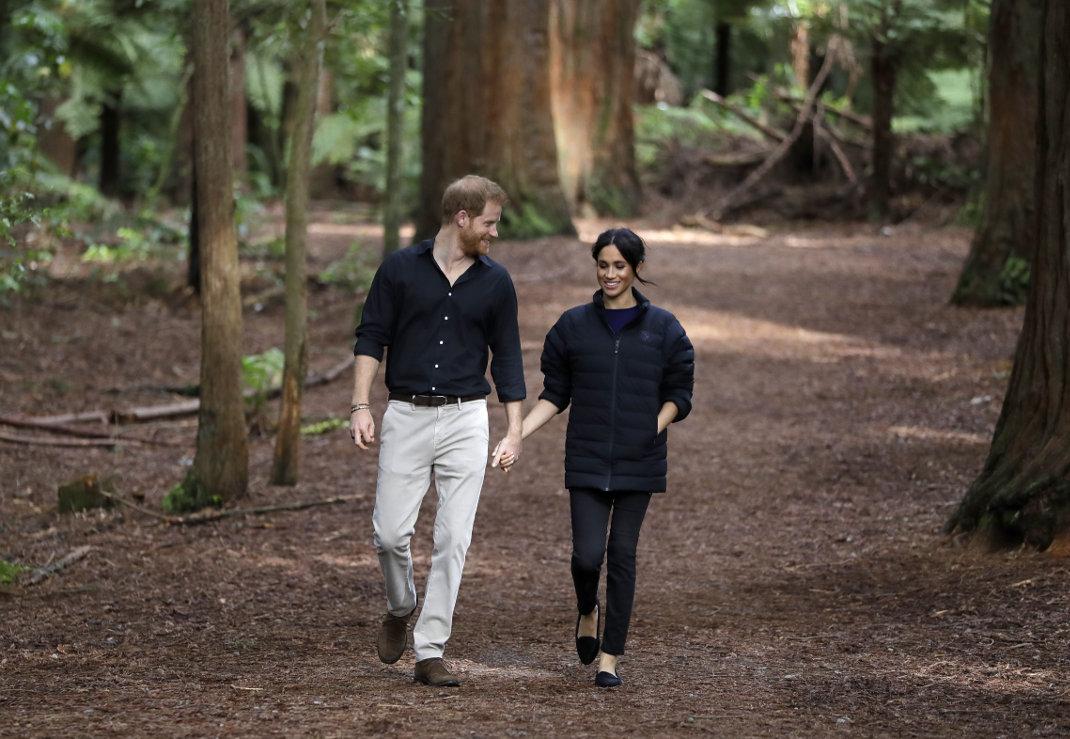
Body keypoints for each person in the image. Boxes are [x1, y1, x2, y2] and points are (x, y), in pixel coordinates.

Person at [492, 227, 694, 688]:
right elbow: (555, 394)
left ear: (636, 269)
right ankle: (587, 607)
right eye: (603, 265)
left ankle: (610, 656)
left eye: (619, 266)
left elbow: (680, 394)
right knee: (587, 558)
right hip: (585, 458)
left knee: (622, 554)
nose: (610, 274)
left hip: (639, 462)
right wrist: (516, 434)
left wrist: (651, 428)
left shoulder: (664, 329)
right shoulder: (572, 327)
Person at [351, 174, 525, 687]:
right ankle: (401, 605)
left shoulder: (496, 283)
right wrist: (361, 404)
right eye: (490, 222)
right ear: (462, 218)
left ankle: (431, 650)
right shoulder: (400, 269)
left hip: (466, 417)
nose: (495, 233)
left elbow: (509, 359)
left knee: (454, 538)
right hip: (405, 414)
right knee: (388, 534)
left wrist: (513, 430)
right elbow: (371, 337)